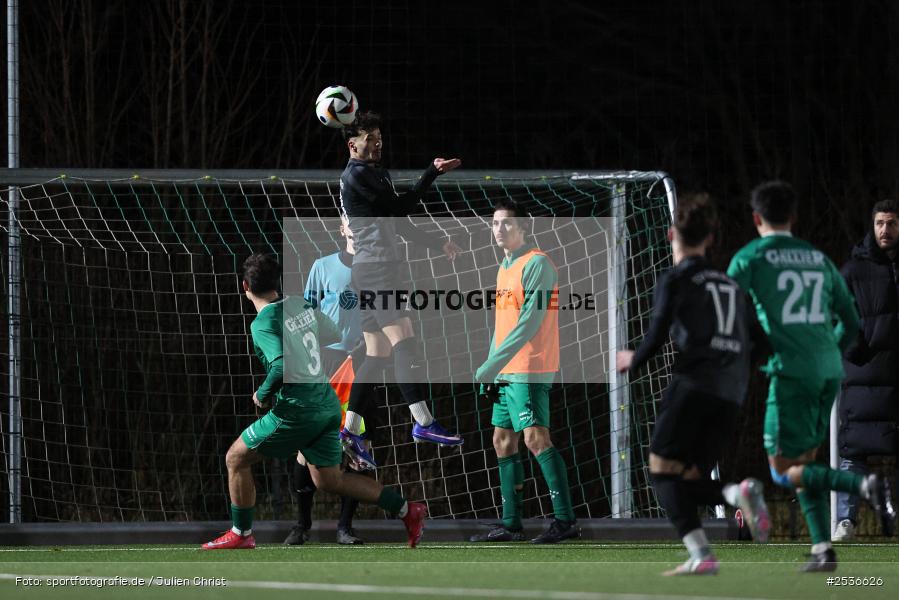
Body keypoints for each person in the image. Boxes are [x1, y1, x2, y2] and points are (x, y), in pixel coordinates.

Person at [202, 253, 426, 550]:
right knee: (330, 480)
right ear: (276, 282)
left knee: (236, 458)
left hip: (297, 410)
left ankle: (241, 533)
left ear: (244, 286)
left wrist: (263, 393)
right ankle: (407, 510)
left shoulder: (262, 323)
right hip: (326, 403)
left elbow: (280, 366)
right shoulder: (298, 304)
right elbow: (331, 332)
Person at [726, 181, 896, 572]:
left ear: (755, 218)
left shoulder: (750, 257)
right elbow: (851, 322)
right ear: (794, 217)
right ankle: (822, 548)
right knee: (805, 463)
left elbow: (731, 311)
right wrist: (826, 354)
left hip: (790, 372)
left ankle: (864, 486)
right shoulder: (817, 258)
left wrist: (758, 350)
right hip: (828, 371)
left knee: (780, 469)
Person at [616, 193, 771, 576]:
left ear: (671, 234)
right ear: (712, 239)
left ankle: (728, 507)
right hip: (731, 393)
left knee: (659, 471)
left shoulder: (676, 277)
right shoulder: (733, 286)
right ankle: (708, 545)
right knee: (686, 478)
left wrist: (632, 360)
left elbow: (655, 336)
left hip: (693, 384)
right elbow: (763, 345)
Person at [338, 110, 464, 469]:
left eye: (380, 139)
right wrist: (431, 174)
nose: (377, 145)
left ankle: (348, 430)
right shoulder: (357, 175)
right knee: (404, 341)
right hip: (377, 271)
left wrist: (436, 244)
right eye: (370, 140)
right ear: (353, 144)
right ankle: (424, 422)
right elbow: (401, 207)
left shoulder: (373, 173)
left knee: (376, 353)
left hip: (369, 269)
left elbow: (397, 221)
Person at [471, 199, 578, 544]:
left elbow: (528, 323)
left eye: (506, 223)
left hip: (530, 367)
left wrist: (490, 365)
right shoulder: (504, 267)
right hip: (506, 371)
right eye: (495, 224)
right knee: (502, 441)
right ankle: (512, 523)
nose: (499, 229)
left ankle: (565, 522)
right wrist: (493, 368)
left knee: (535, 438)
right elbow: (502, 326)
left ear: (523, 228)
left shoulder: (538, 264)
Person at [284, 217, 375, 546]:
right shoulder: (322, 268)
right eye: (352, 223)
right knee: (306, 448)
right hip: (326, 364)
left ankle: (345, 526)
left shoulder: (380, 271)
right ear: (342, 229)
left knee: (356, 446)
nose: (358, 228)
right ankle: (301, 525)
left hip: (364, 365)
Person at [833, 199, 899, 541]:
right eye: (880, 224)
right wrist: (856, 348)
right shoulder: (853, 271)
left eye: (891, 223)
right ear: (872, 227)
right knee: (853, 453)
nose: (886, 230)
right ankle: (846, 521)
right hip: (862, 376)